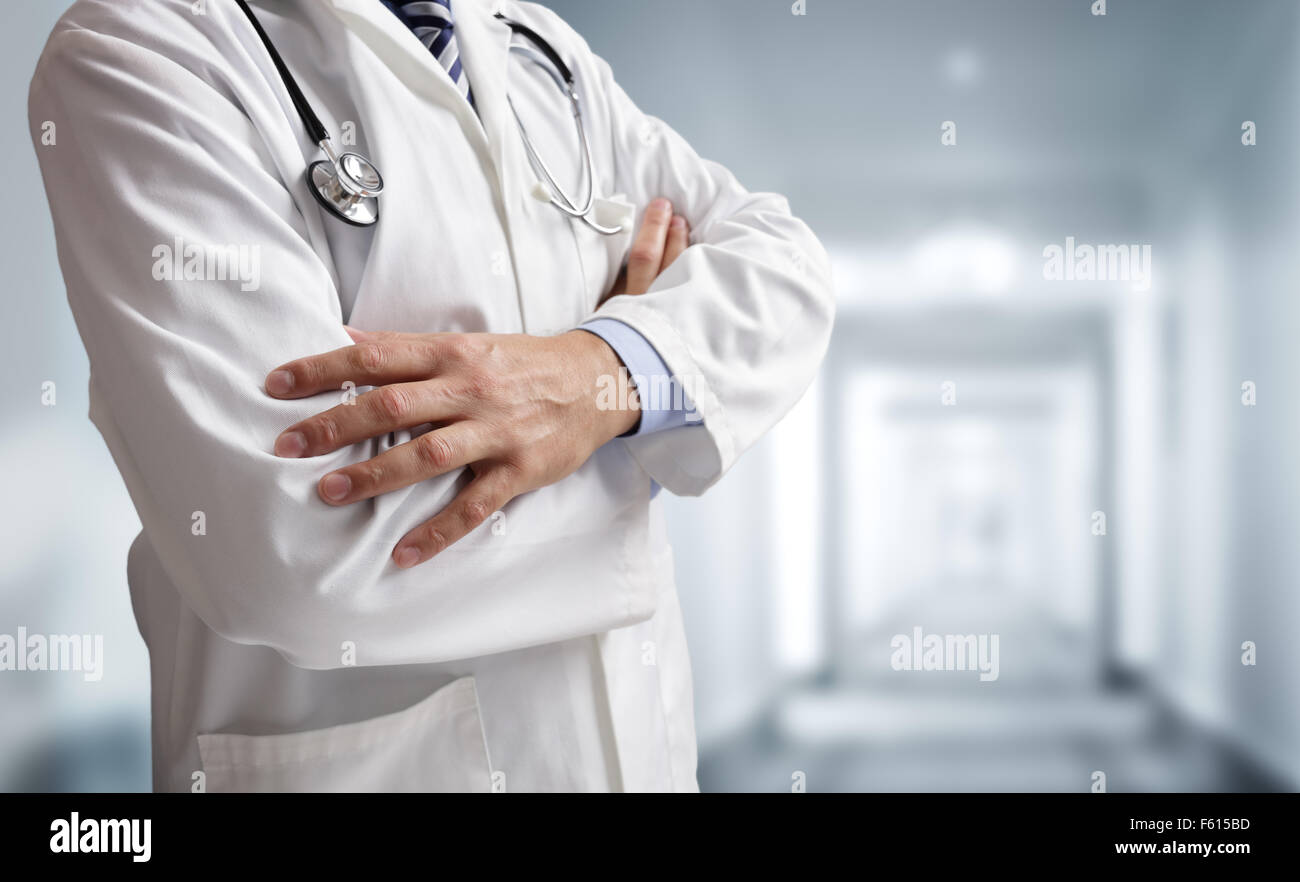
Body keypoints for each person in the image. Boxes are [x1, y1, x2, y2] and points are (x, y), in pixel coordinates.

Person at [29, 0, 834, 792]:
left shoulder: (529, 42)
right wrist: (643, 416)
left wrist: (603, 375)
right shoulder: (143, 47)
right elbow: (301, 552)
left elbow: (786, 267)